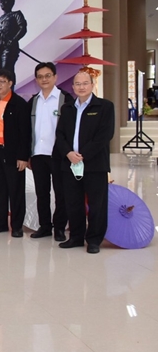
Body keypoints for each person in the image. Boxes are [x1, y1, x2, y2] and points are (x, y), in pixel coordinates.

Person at [54, 71, 115, 254]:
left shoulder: (105, 106)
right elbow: (60, 135)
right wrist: (68, 153)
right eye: (78, 84)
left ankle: (94, 240)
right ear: (73, 87)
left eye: (85, 83)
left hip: (95, 164)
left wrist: (83, 155)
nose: (81, 87)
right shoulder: (67, 108)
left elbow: (105, 135)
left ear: (92, 85)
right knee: (73, 203)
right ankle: (76, 237)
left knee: (97, 204)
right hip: (70, 164)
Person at [28, 62, 74, 241]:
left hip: (59, 155)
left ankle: (60, 227)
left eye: (48, 76)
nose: (44, 79)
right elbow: (28, 129)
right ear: (36, 80)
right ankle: (45, 226)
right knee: (42, 192)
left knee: (61, 193)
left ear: (55, 77)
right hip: (38, 153)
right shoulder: (33, 101)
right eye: (40, 77)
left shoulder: (66, 99)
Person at [0, 69, 31, 237]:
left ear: (10, 83)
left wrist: (23, 156)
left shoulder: (19, 104)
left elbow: (25, 133)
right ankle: (0, 223)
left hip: (13, 153)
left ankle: (17, 226)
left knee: (16, 190)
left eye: (2, 82)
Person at [0, 0, 28, 74]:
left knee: (7, 70)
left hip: (9, 47)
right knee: (1, 74)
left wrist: (13, 40)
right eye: (1, 1)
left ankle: (10, 83)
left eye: (5, 1)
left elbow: (22, 28)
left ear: (11, 2)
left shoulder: (16, 14)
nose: (2, 3)